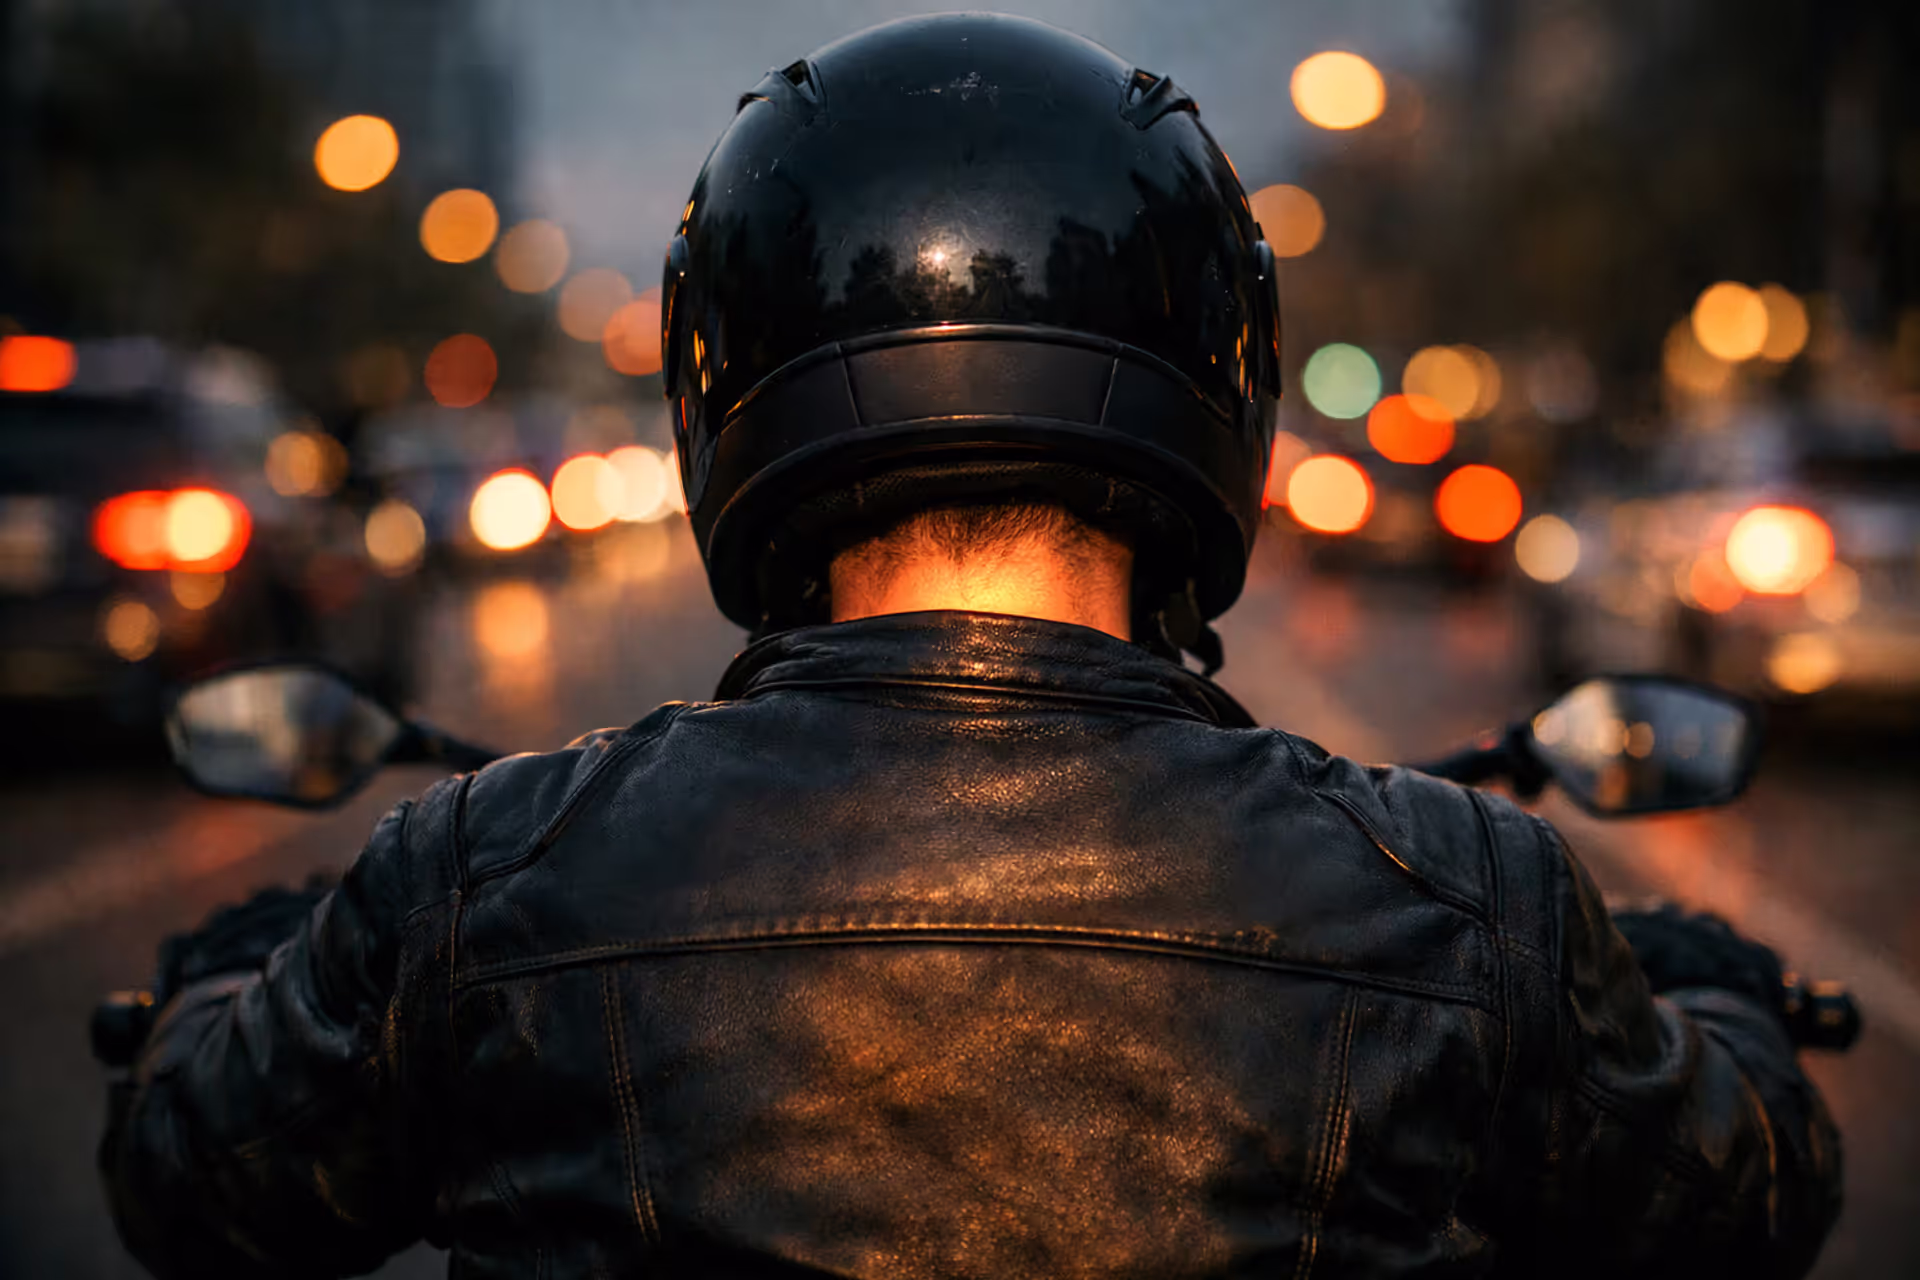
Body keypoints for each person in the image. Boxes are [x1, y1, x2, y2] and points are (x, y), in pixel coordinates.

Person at [101, 14, 1840, 1278]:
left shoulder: (478, 881)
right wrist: (1715, 994)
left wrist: (221, 981)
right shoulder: (1469, 899)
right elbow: (1743, 1200)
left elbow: (193, 1187)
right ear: (1225, 372)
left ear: (720, 380)